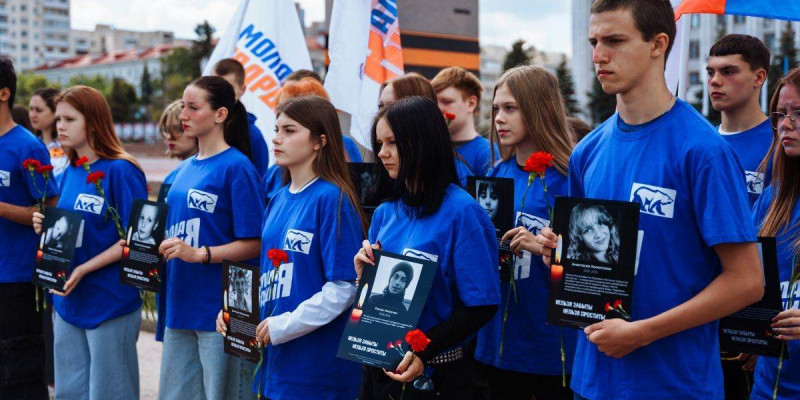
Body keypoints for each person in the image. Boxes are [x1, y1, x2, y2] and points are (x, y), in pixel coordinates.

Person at [535, 2, 764, 399]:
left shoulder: (703, 150)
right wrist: (556, 256)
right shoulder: (587, 151)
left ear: (658, 44)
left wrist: (642, 333)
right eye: (593, 42)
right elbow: (583, 267)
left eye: (614, 40)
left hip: (674, 384)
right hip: (593, 381)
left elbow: (747, 282)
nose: (598, 56)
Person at [216, 95, 365, 399]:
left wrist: (284, 326)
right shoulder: (278, 198)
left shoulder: (332, 199)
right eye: (276, 129)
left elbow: (344, 287)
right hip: (276, 367)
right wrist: (238, 310)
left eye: (289, 130)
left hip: (316, 371)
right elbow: (270, 275)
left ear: (319, 141)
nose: (277, 138)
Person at [354, 96, 500, 399]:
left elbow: (481, 305)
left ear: (423, 142)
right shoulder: (384, 213)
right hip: (380, 366)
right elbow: (377, 304)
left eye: (392, 143)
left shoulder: (463, 212)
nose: (381, 153)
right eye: (379, 143)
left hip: (438, 376)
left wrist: (424, 349)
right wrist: (363, 276)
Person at [32, 85, 147, 400]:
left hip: (109, 303)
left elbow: (138, 239)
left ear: (94, 123)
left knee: (109, 393)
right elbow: (71, 226)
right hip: (68, 301)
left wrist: (84, 269)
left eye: (69, 119)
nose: (60, 126)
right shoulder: (71, 170)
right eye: (59, 119)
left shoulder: (122, 170)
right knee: (69, 393)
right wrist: (45, 224)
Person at [157, 76, 263, 400]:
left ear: (220, 114)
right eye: (183, 107)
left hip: (221, 310)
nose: (183, 115)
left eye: (193, 107)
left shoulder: (237, 167)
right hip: (180, 303)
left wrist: (201, 254)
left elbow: (256, 242)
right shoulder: (184, 169)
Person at [475, 64, 576, 400]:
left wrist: (545, 247)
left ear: (540, 108)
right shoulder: (495, 176)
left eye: (510, 108)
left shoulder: (571, 178)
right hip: (500, 343)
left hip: (554, 347)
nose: (499, 119)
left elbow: (598, 269)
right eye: (495, 109)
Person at [0, 57, 57, 400]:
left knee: (19, 375)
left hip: (17, 278)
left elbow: (49, 212)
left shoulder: (27, 146)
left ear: (4, 93)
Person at [749, 67, 800, 400]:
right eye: (781, 113)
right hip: (768, 388)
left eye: (798, 113)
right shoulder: (772, 199)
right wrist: (747, 334)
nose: (786, 124)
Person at [708, 34, 773, 207]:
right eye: (710, 72)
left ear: (758, 77)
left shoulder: (780, 144)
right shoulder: (701, 141)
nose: (714, 81)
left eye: (728, 72)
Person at [378, 73, 474, 187]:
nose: (382, 114)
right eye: (381, 106)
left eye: (391, 106)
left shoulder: (458, 176)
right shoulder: (389, 166)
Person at [432, 66, 497, 175]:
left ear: (471, 103)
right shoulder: (430, 148)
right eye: (434, 102)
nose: (438, 108)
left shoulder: (488, 154)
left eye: (446, 102)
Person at [213, 58, 269, 177]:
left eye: (228, 88)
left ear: (242, 90)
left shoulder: (253, 136)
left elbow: (258, 181)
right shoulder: (203, 127)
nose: (219, 93)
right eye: (214, 87)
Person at [29, 88, 69, 185]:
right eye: (31, 109)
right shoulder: (30, 144)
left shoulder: (68, 144)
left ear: (55, 112)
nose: (33, 115)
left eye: (38, 110)